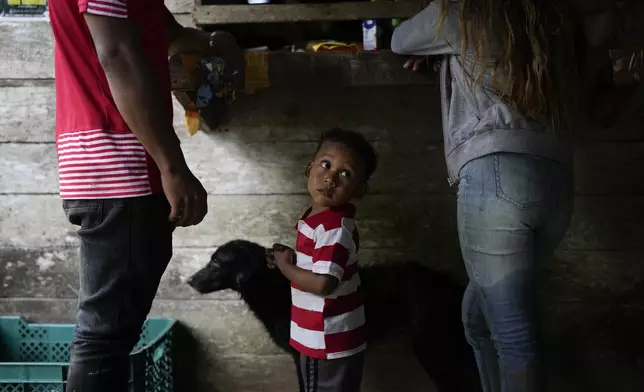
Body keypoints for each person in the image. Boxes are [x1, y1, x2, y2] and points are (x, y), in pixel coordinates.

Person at [47, 1, 237, 390]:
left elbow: (162, 29)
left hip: (112, 162)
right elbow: (116, 53)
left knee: (109, 333)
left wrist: (215, 40)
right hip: (118, 161)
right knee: (105, 338)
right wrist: (173, 166)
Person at [391, 1, 579, 391]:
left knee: (514, 340)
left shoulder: (463, 11)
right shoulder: (553, 14)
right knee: (476, 320)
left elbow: (398, 39)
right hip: (556, 180)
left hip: (497, 177)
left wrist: (437, 49)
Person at [268, 128, 378, 392]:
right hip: (328, 335)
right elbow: (320, 262)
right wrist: (293, 260)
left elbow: (323, 284)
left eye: (345, 174)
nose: (330, 179)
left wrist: (286, 267)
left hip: (326, 339)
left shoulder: (333, 228)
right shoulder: (319, 219)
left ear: (359, 190)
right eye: (326, 165)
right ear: (310, 168)